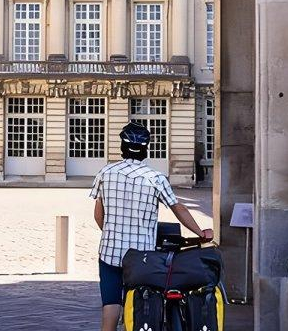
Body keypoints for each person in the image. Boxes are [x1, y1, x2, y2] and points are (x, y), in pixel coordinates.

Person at [89, 121, 213, 331]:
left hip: (110, 252)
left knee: (111, 304)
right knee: (144, 301)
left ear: (122, 147)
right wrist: (200, 232)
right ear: (145, 150)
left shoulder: (105, 173)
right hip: (143, 257)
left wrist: (111, 233)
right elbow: (178, 208)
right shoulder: (156, 178)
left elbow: (98, 215)